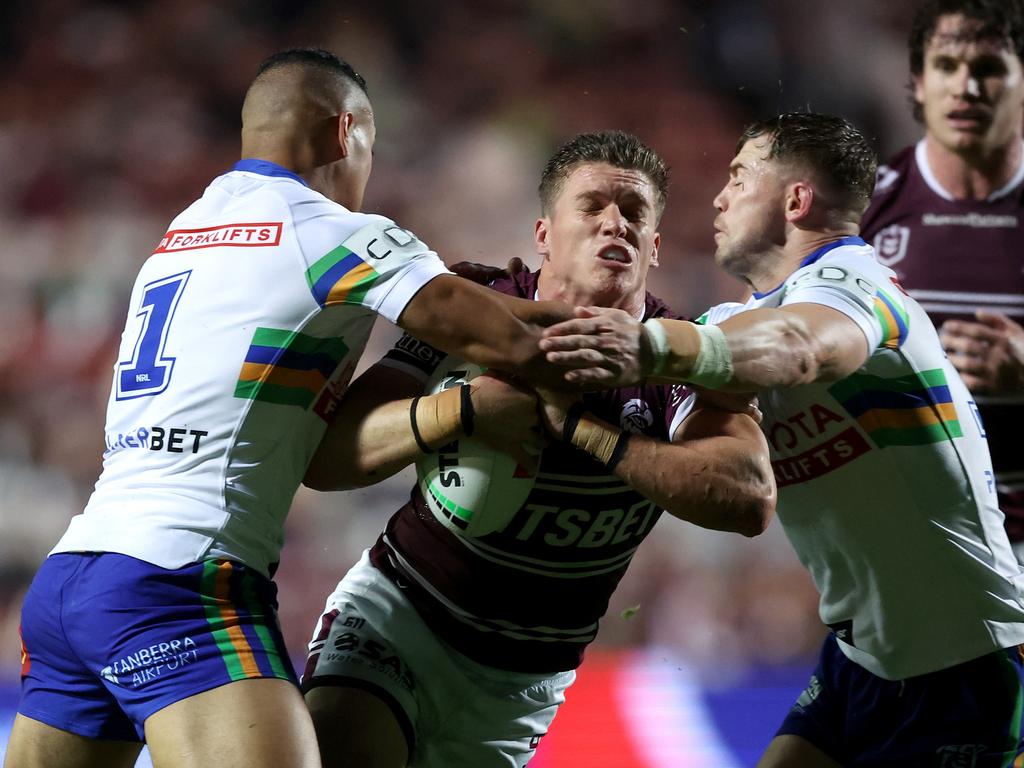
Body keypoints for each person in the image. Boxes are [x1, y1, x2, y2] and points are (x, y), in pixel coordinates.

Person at [5, 47, 590, 768]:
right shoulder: (332, 232)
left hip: (75, 576)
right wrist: (678, 347)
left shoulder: (181, 235)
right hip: (182, 581)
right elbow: (514, 341)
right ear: (348, 133)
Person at [540, 112, 1024, 766]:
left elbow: (796, 348)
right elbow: (715, 454)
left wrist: (646, 347)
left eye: (739, 177)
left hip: (970, 659)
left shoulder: (857, 283)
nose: (718, 196)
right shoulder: (728, 324)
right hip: (862, 661)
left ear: (795, 199)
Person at [299, 130, 776, 768]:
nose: (617, 223)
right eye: (593, 206)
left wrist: (587, 434)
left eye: (635, 214)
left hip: (523, 685)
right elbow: (328, 460)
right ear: (544, 234)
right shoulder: (472, 303)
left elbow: (748, 499)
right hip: (400, 618)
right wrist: (463, 409)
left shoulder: (681, 352)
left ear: (655, 247)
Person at [860, 0, 1024, 558]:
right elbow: (768, 333)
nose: (966, 87)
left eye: (989, 68)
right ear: (919, 82)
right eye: (947, 65)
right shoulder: (862, 208)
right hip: (904, 541)